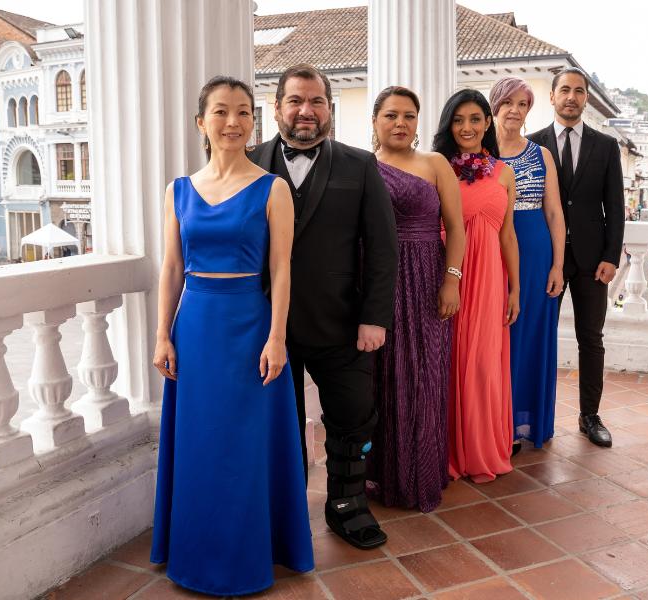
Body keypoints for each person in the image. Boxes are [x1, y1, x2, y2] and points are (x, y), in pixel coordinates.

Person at [151, 76, 314, 595]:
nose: (233, 122)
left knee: (243, 444)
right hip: (195, 328)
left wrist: (276, 337)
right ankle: (196, 551)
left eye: (243, 112)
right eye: (221, 112)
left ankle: (248, 553)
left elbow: (284, 270)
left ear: (253, 122)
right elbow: (172, 268)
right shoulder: (178, 189)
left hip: (249, 327)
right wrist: (162, 334)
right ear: (202, 123)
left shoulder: (273, 188)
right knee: (200, 441)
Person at [248, 64, 398, 549]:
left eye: (316, 102)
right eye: (295, 101)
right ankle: (281, 515)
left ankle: (347, 506)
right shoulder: (247, 163)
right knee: (278, 423)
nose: (305, 111)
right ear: (276, 109)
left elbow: (382, 247)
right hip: (267, 326)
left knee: (354, 416)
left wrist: (375, 316)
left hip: (342, 322)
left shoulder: (360, 165)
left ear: (330, 109)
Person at [365, 86, 465, 513]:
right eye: (391, 115)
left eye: (409, 115)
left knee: (425, 376)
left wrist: (452, 281)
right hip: (381, 280)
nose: (400, 123)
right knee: (385, 379)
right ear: (375, 122)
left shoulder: (435, 163)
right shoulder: (363, 167)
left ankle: (421, 474)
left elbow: (457, 228)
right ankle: (386, 476)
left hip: (428, 279)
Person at [527, 67, 624, 447]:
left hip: (590, 260)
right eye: (564, 90)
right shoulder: (531, 144)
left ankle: (589, 416)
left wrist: (611, 256)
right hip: (544, 259)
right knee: (538, 338)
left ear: (586, 99)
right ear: (551, 97)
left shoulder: (605, 146)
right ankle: (533, 415)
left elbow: (614, 206)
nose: (571, 96)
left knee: (591, 339)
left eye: (578, 91)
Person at [434, 88, 520, 482]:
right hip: (448, 276)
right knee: (449, 362)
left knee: (484, 362)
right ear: (449, 125)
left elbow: (507, 236)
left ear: (488, 123)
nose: (466, 127)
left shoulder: (505, 172)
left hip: (490, 281)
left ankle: (482, 449)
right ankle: (448, 449)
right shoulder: (437, 167)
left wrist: (514, 288)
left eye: (474, 119)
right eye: (458, 119)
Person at [490, 76, 564, 452]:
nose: (515, 111)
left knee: (530, 336)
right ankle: (493, 422)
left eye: (523, 105)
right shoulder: (479, 157)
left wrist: (558, 266)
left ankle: (519, 422)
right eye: (508, 103)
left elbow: (553, 212)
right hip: (491, 253)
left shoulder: (541, 154)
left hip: (536, 255)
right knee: (497, 337)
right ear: (494, 107)